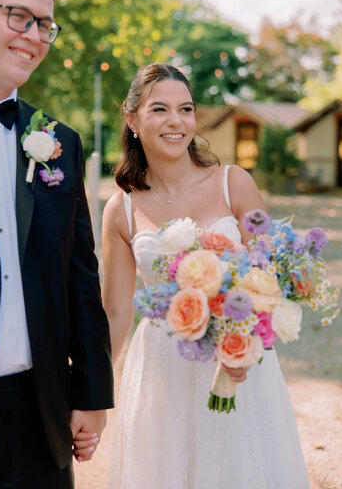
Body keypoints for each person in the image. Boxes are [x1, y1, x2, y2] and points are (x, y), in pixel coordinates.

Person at [0, 0, 113, 488]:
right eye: (20, 16)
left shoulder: (59, 142)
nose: (35, 36)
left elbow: (79, 276)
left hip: (41, 415)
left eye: (45, 24)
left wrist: (91, 395)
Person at [102, 62, 310, 489]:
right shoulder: (119, 210)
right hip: (163, 369)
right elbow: (116, 312)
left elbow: (272, 278)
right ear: (132, 119)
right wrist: (89, 391)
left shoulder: (234, 183)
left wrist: (248, 341)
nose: (176, 121)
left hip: (236, 361)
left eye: (186, 109)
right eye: (159, 109)